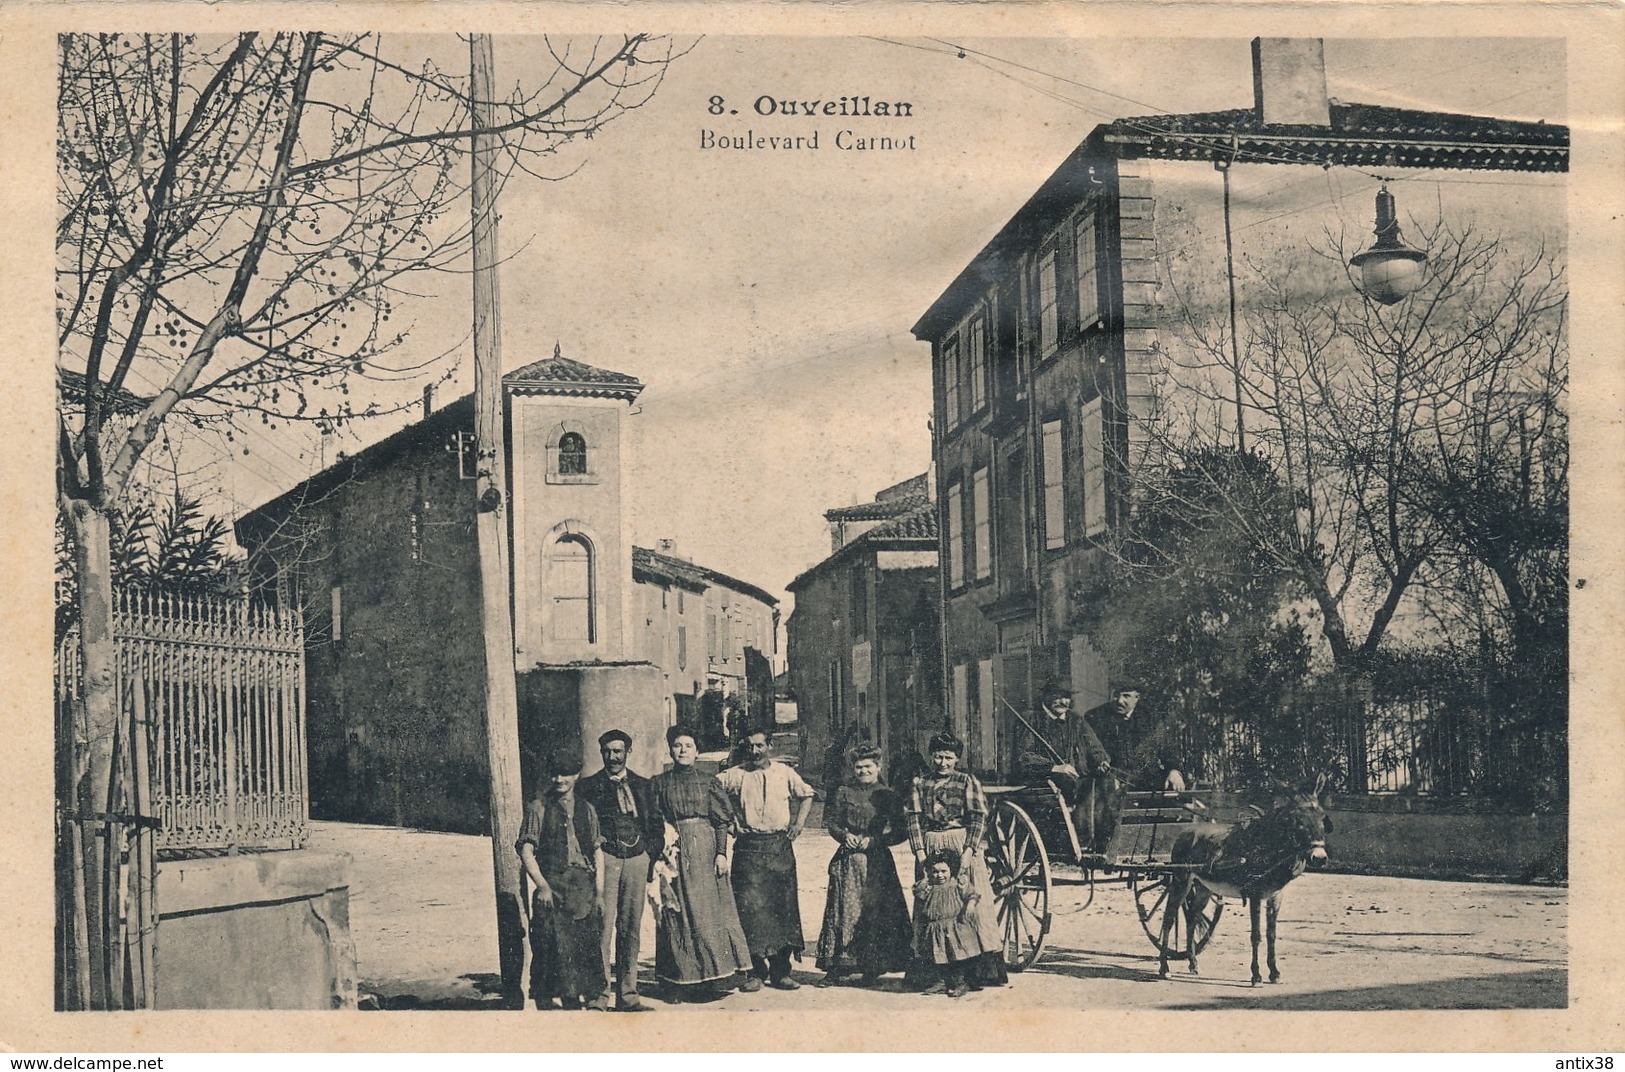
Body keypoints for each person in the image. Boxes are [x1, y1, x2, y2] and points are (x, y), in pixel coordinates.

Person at [648, 725, 755, 999]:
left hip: (705, 852)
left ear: (697, 751)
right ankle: (678, 979)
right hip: (673, 852)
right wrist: (661, 855)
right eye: (677, 746)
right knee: (677, 911)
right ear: (670, 749)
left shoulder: (709, 782)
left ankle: (715, 977)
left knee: (710, 912)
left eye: (688, 746)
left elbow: (721, 821)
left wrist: (721, 854)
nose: (682, 750)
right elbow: (653, 820)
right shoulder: (659, 783)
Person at [903, 731, 1008, 990]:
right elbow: (913, 819)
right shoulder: (920, 783)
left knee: (968, 903)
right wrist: (920, 853)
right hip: (930, 845)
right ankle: (934, 973)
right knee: (931, 904)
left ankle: (972, 973)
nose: (942, 763)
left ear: (957, 758)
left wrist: (970, 850)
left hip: (961, 844)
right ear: (931, 756)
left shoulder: (967, 781)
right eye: (938, 756)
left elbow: (978, 817)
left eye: (948, 757)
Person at [716, 729, 817, 990]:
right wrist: (730, 820)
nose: (755, 751)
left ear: (769, 746)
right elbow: (712, 790)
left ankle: (781, 972)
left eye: (760, 745)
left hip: (779, 847)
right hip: (748, 848)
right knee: (750, 911)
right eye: (750, 746)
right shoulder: (735, 774)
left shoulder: (784, 773)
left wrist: (799, 824)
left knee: (782, 909)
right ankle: (755, 973)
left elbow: (807, 795)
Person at [576, 729, 662, 1013]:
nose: (613, 757)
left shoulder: (643, 785)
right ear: (601, 753)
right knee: (602, 927)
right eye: (607, 752)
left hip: (637, 860)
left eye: (618, 751)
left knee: (631, 929)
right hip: (607, 861)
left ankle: (628, 995)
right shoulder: (587, 786)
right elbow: (581, 825)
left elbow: (656, 824)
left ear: (628, 752)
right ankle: (599, 994)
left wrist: (649, 854)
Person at [814, 743, 912, 986]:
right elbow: (832, 823)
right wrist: (843, 835)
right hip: (848, 862)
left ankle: (872, 967)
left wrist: (875, 840)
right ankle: (837, 967)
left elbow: (901, 831)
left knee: (876, 913)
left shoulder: (888, 795)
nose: (863, 771)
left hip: (877, 862)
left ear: (878, 767)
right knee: (843, 911)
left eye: (868, 766)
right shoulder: (844, 792)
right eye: (858, 767)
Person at [517, 752, 608, 1010]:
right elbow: (525, 849)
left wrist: (599, 893)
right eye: (555, 774)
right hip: (553, 886)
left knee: (582, 946)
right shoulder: (539, 807)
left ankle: (575, 1001)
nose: (560, 779)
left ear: (576, 775)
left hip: (582, 887)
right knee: (550, 945)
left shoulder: (587, 809)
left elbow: (596, 850)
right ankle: (545, 1002)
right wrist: (542, 885)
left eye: (566, 773)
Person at [1080, 686, 1186, 854]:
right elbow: (1090, 751)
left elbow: (1167, 748)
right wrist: (1104, 771)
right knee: (1105, 797)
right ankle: (1107, 849)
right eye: (1117, 695)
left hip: (1145, 777)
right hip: (1111, 776)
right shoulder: (1096, 717)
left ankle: (1162, 846)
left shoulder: (1151, 718)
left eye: (1127, 696)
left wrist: (1173, 770)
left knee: (1171, 796)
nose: (1120, 700)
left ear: (1137, 697)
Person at [1016, 679, 1109, 854]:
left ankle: (1096, 843)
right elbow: (1024, 757)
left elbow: (1093, 746)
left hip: (1074, 779)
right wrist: (1054, 768)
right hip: (1043, 780)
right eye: (1057, 697)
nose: (1063, 702)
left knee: (1105, 786)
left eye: (1066, 697)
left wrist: (1101, 761)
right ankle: (1079, 842)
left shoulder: (1076, 720)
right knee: (1075, 785)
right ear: (1046, 697)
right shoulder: (1031, 719)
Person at [911, 850, 986, 999]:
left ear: (951, 869)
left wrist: (971, 904)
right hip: (935, 928)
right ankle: (941, 982)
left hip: (955, 926)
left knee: (957, 956)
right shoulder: (928, 886)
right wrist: (926, 879)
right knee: (937, 957)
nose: (939, 876)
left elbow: (971, 894)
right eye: (935, 872)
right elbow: (918, 892)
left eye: (944, 871)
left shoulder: (958, 883)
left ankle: (960, 983)